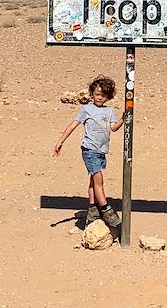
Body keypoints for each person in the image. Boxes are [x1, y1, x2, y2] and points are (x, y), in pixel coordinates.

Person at [53, 76, 125, 228]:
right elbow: (73, 125)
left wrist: (123, 119)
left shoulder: (110, 111)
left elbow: (113, 128)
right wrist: (60, 141)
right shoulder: (86, 109)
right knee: (99, 179)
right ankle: (106, 209)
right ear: (92, 93)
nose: (100, 97)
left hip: (101, 151)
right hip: (89, 149)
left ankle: (92, 208)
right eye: (97, 93)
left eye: (104, 95)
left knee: (93, 180)